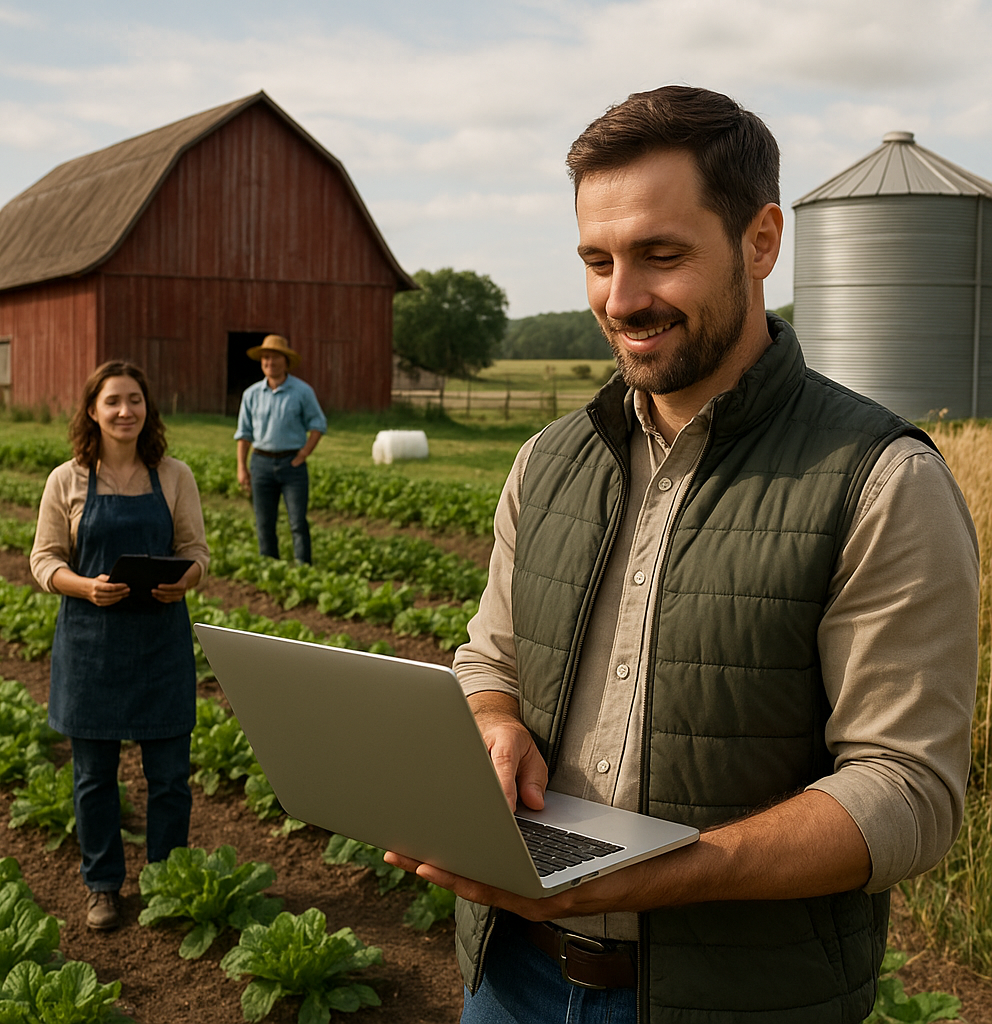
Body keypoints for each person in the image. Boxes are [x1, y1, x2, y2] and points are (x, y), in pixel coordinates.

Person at [384, 87, 980, 1023]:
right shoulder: (549, 462)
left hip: (735, 1000)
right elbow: (488, 661)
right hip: (510, 979)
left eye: (661, 256)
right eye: (597, 261)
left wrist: (675, 871)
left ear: (761, 241)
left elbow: (906, 790)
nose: (622, 299)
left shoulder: (880, 479)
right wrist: (493, 726)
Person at [30, 361, 209, 932]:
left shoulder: (175, 475)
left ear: (147, 409)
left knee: (170, 778)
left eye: (135, 400)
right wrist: (84, 586)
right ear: (93, 411)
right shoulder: (67, 480)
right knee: (93, 779)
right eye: (113, 402)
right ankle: (103, 885)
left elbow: (197, 551)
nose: (125, 411)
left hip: (160, 643)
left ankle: (164, 882)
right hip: (90, 647)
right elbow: (43, 560)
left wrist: (185, 581)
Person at [234, 334, 327, 565]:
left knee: (297, 522)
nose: (269, 363)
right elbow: (244, 435)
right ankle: (270, 567)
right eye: (265, 358)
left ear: (285, 362)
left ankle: (303, 567)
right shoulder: (251, 394)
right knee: (264, 522)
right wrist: (241, 468)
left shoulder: (302, 391)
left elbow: (318, 425)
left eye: (275, 358)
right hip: (261, 464)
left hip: (291, 464)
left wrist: (303, 453)